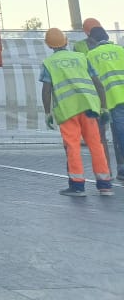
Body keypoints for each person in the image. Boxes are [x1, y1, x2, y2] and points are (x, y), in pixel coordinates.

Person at [39, 27, 113, 196]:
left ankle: (77, 186)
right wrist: (103, 107)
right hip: (89, 107)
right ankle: (105, 185)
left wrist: (47, 112)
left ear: (49, 45)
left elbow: (46, 90)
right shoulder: (82, 58)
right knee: (96, 145)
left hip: (67, 111)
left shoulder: (48, 64)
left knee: (72, 146)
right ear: (66, 41)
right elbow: (98, 83)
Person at [85, 26, 124, 181]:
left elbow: (91, 81)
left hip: (112, 99)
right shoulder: (121, 50)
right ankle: (121, 168)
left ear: (93, 40)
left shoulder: (91, 55)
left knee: (120, 134)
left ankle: (120, 169)